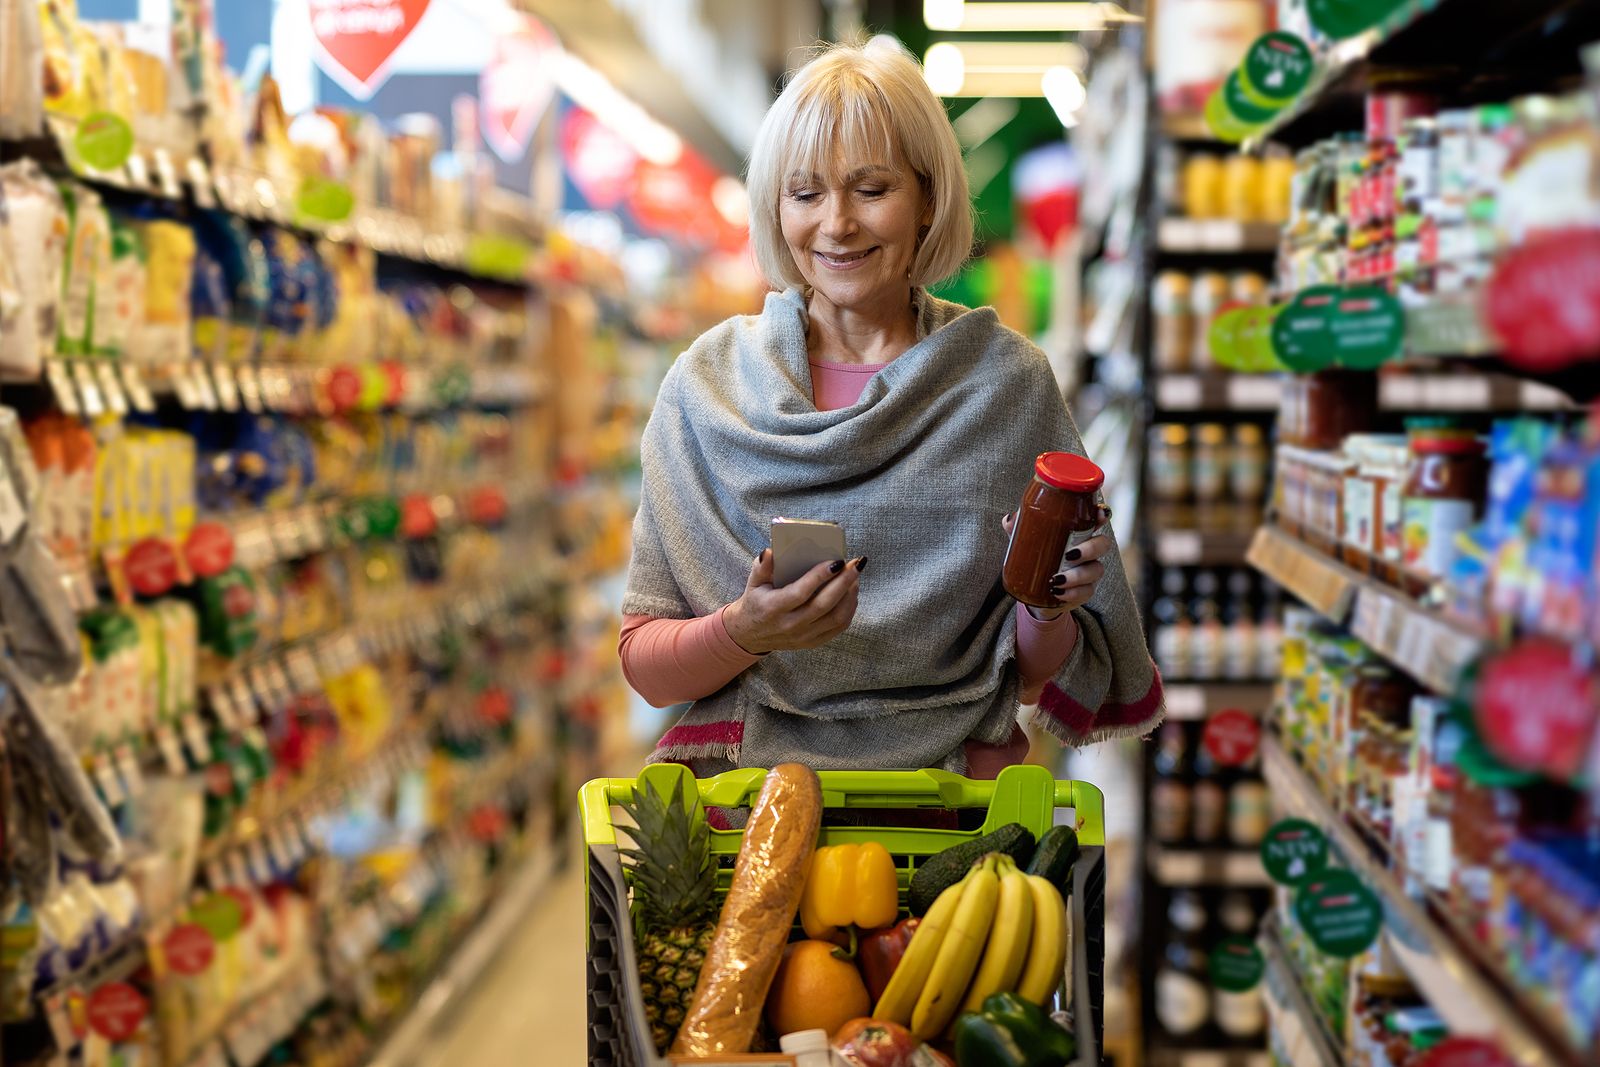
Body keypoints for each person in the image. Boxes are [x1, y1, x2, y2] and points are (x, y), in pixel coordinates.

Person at [619, 38, 1163, 778]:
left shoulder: (1004, 387)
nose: (836, 223)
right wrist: (743, 631)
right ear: (776, 208)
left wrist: (1048, 602)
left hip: (951, 814)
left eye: (871, 189)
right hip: (748, 815)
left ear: (929, 199)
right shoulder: (706, 389)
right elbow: (648, 668)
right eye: (806, 193)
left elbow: (1031, 677)